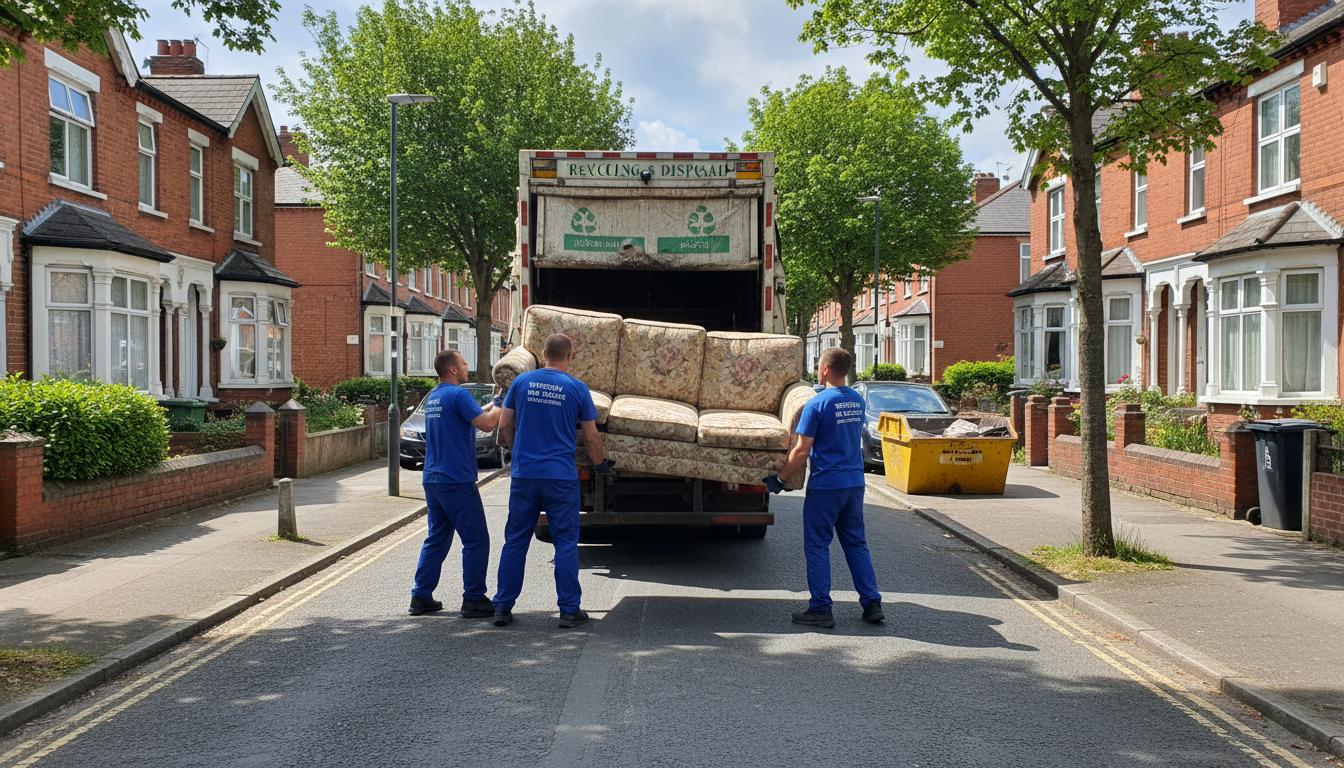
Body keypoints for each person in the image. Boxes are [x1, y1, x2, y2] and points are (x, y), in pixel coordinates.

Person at [493, 333, 612, 629]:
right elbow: (591, 436)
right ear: (570, 357)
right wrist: (600, 466)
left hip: (525, 476)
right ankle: (569, 610)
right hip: (560, 476)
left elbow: (505, 424)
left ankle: (503, 607)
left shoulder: (520, 383)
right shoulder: (577, 389)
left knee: (516, 540)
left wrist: (515, 451)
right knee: (565, 543)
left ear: (544, 354)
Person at [765, 347, 883, 628]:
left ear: (826, 369)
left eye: (819, 365)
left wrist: (779, 479)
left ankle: (820, 609)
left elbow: (801, 451)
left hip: (826, 486)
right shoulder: (857, 400)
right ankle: (872, 603)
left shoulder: (816, 404)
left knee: (817, 546)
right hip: (854, 483)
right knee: (856, 544)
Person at [408, 349, 503, 618]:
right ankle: (473, 598)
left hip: (433, 478)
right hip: (457, 479)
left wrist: (493, 404)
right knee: (476, 540)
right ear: (452, 369)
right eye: (462, 363)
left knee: (436, 539)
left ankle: (420, 596)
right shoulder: (459, 394)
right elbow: (485, 424)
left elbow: (473, 414)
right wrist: (503, 403)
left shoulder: (435, 396)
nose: (466, 367)